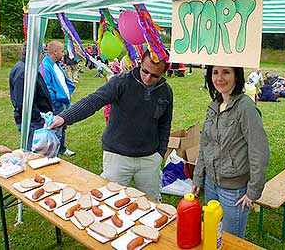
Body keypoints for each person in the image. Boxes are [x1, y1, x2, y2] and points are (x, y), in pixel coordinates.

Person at [47, 50, 173, 201]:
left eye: (155, 76)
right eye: (145, 71)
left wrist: (160, 153)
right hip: (117, 155)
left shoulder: (166, 91)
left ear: (163, 74)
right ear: (140, 63)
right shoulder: (121, 82)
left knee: (151, 202)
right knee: (112, 201)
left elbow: (165, 124)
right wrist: (63, 117)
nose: (147, 78)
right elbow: (94, 100)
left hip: (149, 158)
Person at [192, 65, 269, 238]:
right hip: (211, 184)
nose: (219, 78)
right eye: (215, 72)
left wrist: (253, 191)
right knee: (212, 234)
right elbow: (205, 144)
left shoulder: (245, 107)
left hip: (234, 191)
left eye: (226, 72)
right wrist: (198, 177)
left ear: (236, 75)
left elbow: (259, 150)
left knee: (230, 241)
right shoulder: (214, 106)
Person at [9, 43, 54, 151]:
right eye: (43, 53)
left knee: (38, 152)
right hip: (32, 121)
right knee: (32, 153)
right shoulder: (23, 71)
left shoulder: (28, 68)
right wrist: (38, 118)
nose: (44, 57)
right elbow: (23, 101)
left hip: (34, 119)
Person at [40, 41, 76, 157]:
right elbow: (47, 87)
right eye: (61, 51)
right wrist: (55, 102)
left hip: (63, 102)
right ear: (55, 52)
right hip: (57, 104)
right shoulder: (46, 66)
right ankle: (53, 154)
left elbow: (62, 81)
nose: (63, 53)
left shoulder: (56, 64)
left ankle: (62, 148)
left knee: (63, 126)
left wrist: (68, 92)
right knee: (56, 130)